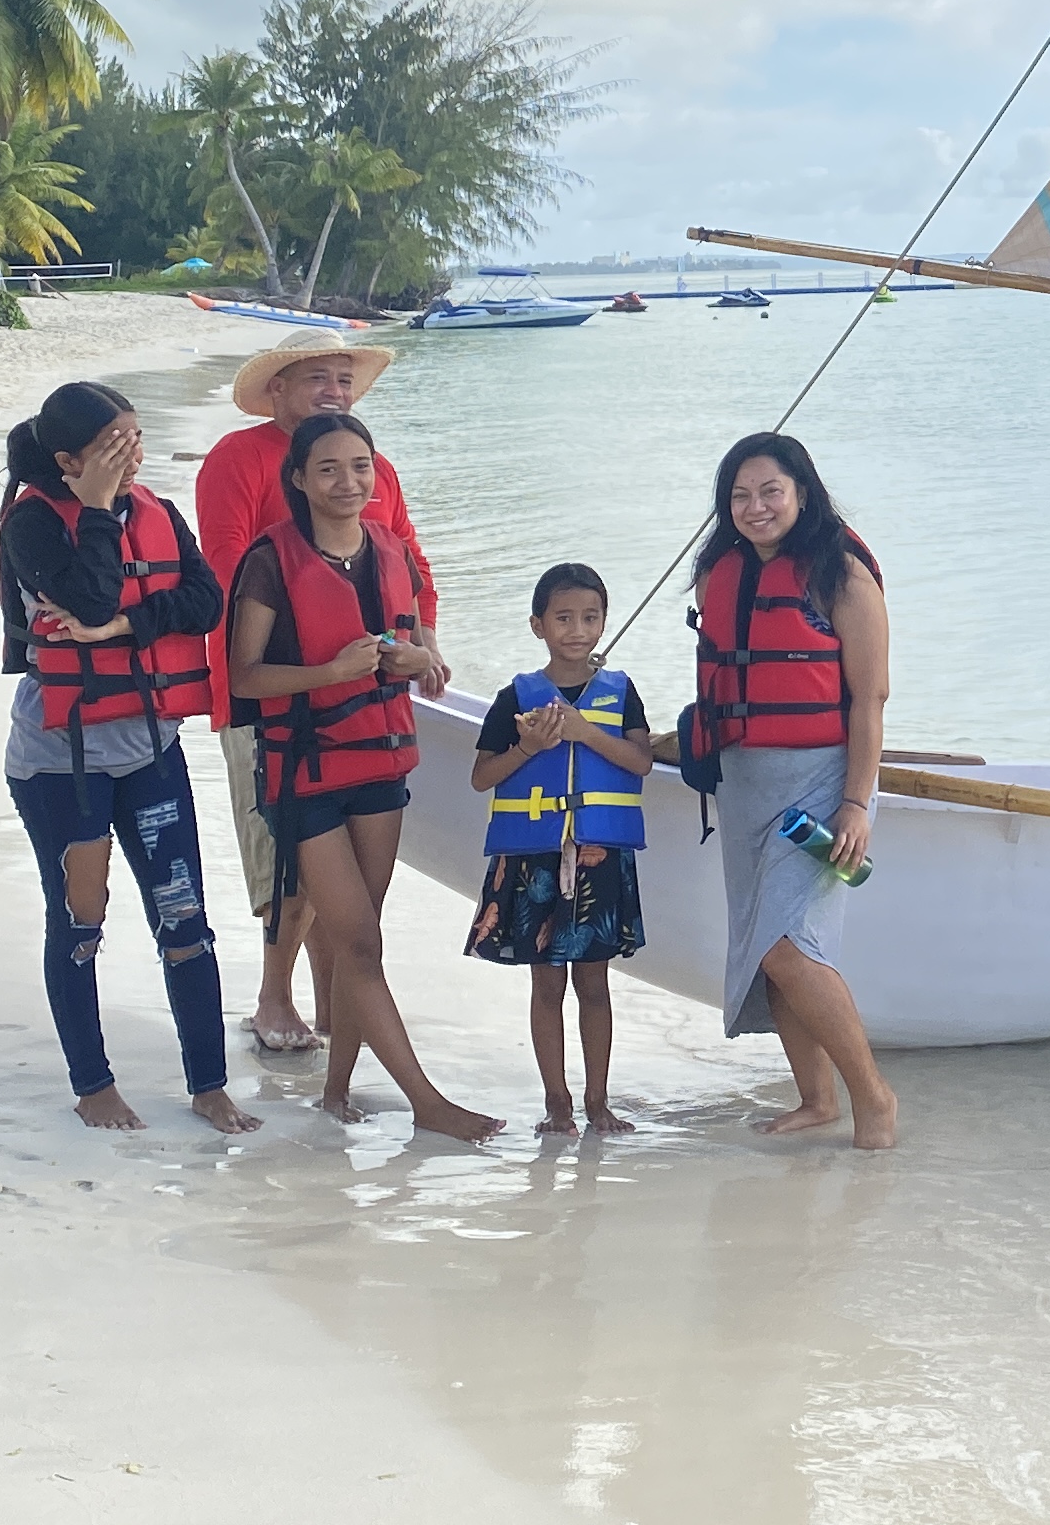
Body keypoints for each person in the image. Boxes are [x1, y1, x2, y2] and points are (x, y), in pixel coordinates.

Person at [220, 409, 495, 1139]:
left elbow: (413, 650)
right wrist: (328, 672)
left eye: (361, 468)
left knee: (356, 940)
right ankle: (426, 1104)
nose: (349, 482)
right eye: (330, 469)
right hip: (303, 771)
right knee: (362, 942)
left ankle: (337, 1091)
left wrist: (419, 661)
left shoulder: (391, 551)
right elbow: (244, 676)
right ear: (301, 481)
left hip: (380, 763)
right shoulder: (270, 560)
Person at [0, 382, 259, 1136]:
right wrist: (103, 510)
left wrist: (118, 629)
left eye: (138, 439)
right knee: (81, 920)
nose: (133, 455)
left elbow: (206, 605)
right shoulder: (32, 528)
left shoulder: (163, 516)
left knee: (185, 919)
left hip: (150, 745)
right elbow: (86, 587)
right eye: (116, 446)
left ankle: (208, 1084)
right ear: (70, 459)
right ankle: (93, 1085)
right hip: (59, 759)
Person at [194, 333, 431, 1056]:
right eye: (316, 379)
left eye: (343, 379)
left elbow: (408, 561)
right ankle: (274, 997)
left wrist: (421, 647)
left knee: (351, 888)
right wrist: (321, 659)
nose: (334, 390)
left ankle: (339, 1009)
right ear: (277, 392)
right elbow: (230, 564)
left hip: (366, 690)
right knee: (284, 864)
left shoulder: (371, 466)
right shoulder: (238, 460)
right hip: (272, 692)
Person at [691, 433, 898, 1149]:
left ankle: (873, 1099)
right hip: (743, 782)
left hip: (818, 782)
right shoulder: (718, 571)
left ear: (802, 492)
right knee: (764, 949)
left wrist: (854, 804)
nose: (755, 508)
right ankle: (817, 1100)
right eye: (739, 496)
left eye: (770, 491)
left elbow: (868, 699)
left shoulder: (841, 575)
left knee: (785, 944)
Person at [468, 562, 654, 1136]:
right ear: (538, 625)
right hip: (532, 858)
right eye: (564, 618)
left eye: (590, 618)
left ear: (604, 623)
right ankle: (557, 1105)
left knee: (593, 985)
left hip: (599, 857)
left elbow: (640, 762)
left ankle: (599, 1103)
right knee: (545, 984)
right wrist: (528, 747)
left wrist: (584, 731)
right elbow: (481, 776)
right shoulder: (515, 698)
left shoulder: (620, 694)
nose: (577, 629)